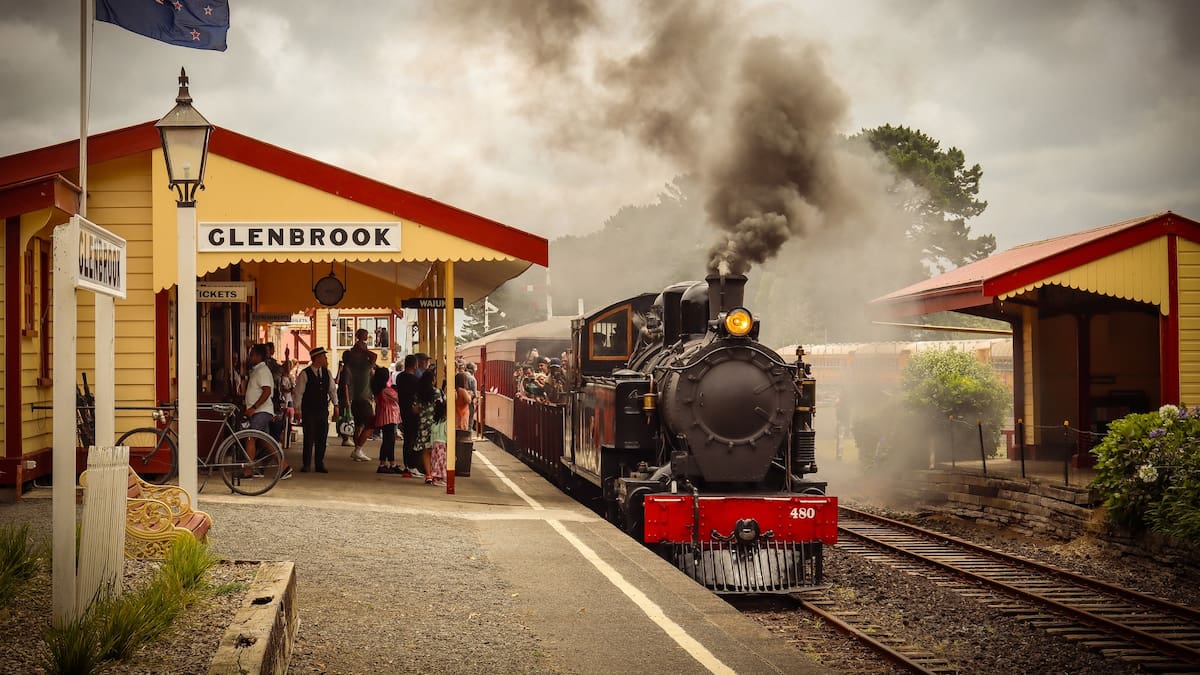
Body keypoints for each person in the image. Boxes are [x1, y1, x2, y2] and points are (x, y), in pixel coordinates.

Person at [244, 344, 293, 480]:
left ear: (259, 356)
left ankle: (248, 470)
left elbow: (267, 391)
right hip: (259, 411)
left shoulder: (263, 371)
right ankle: (284, 467)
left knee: (250, 437)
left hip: (261, 411)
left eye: (252, 354)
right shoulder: (256, 370)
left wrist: (254, 407)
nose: (250, 357)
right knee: (266, 441)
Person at [294, 347, 335, 473]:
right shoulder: (305, 373)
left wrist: (336, 404)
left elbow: (332, 390)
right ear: (317, 358)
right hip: (309, 410)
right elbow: (298, 393)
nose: (326, 359)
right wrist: (298, 409)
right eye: (324, 356)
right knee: (309, 437)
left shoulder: (327, 373)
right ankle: (306, 464)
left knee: (322, 437)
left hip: (322, 409)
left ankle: (319, 463)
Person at [342, 328, 378, 462]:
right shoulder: (364, 365)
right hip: (364, 398)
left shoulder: (349, 366)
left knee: (359, 425)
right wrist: (364, 351)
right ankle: (358, 449)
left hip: (355, 399)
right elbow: (374, 356)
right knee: (370, 424)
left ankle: (357, 450)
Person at [392, 354, 424, 478]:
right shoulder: (415, 380)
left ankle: (407, 465)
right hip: (414, 412)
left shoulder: (400, 377)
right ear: (415, 365)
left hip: (403, 410)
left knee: (407, 440)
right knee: (414, 439)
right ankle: (412, 466)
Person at [417, 369, 446, 486]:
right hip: (435, 424)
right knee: (435, 449)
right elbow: (441, 405)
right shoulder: (437, 392)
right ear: (433, 381)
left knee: (426, 450)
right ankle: (435, 474)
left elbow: (415, 408)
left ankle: (428, 475)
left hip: (423, 424)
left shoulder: (419, 393)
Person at [371, 366, 401, 474]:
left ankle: (386, 463)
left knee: (387, 441)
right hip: (390, 417)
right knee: (389, 441)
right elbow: (398, 398)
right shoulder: (387, 390)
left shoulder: (378, 389)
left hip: (383, 417)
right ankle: (386, 463)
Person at [463, 362, 479, 436]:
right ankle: (467, 439)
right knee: (469, 422)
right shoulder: (472, 379)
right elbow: (475, 394)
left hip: (460, 402)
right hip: (469, 403)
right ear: (472, 370)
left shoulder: (460, 375)